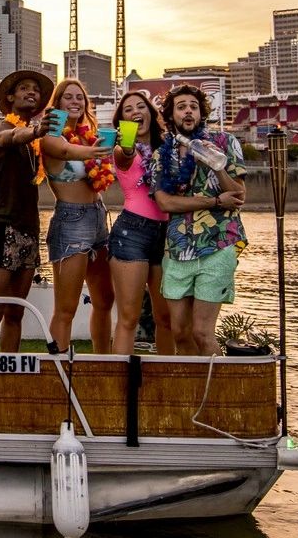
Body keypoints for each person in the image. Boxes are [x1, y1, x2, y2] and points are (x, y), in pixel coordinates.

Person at [151, 85, 247, 355]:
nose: (188, 111)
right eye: (181, 106)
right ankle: (193, 394)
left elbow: (238, 196)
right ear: (171, 115)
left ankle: (217, 395)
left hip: (216, 244)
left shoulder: (225, 143)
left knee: (202, 332)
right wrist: (216, 201)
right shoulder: (163, 154)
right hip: (178, 247)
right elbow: (165, 202)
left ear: (201, 112)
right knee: (180, 331)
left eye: (193, 106)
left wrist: (215, 166)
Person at [0, 68, 53, 353]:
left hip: (29, 228)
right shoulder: (0, 128)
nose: (31, 92)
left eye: (36, 89)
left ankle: (7, 373)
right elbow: (7, 139)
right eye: (24, 88)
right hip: (2, 226)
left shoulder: (35, 144)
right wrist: (35, 131)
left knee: (16, 312)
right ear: (10, 97)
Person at [38, 78, 114, 353]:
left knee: (105, 300)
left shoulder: (89, 136)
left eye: (79, 97)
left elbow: (106, 163)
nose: (74, 101)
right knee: (66, 308)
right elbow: (66, 151)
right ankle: (58, 372)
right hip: (71, 221)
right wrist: (97, 151)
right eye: (67, 97)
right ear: (57, 104)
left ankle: (102, 363)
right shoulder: (50, 137)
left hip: (97, 218)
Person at [107, 89, 174, 355]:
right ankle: (118, 388)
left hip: (168, 234)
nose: (136, 112)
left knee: (166, 317)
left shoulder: (168, 148)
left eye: (140, 107)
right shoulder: (122, 149)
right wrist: (127, 144)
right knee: (129, 318)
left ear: (150, 112)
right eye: (128, 109)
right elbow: (124, 157)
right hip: (131, 234)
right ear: (122, 120)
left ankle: (168, 382)